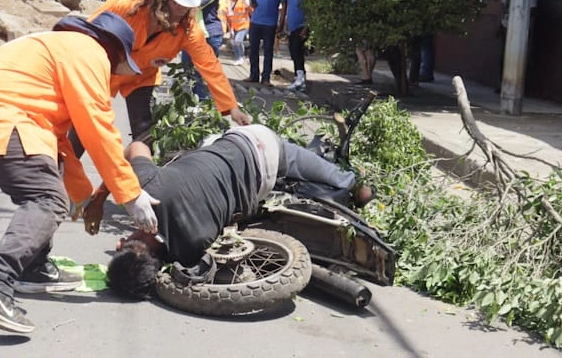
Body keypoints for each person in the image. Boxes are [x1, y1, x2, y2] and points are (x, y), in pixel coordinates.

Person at [0, 12, 161, 334]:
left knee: (50, 184)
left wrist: (82, 195)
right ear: (114, 52)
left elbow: (57, 143)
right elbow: (98, 127)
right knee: (46, 199)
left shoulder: (62, 47)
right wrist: (130, 193)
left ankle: (33, 267)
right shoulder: (89, 53)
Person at [84, 124, 373, 299]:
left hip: (264, 166)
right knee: (343, 186)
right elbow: (135, 145)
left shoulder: (190, 251)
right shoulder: (145, 189)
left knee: (339, 189)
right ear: (120, 243)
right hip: (250, 143)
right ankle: (351, 182)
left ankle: (349, 182)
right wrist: (99, 199)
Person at [89, 0, 251, 140]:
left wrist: (232, 107)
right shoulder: (127, 4)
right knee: (85, 127)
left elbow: (209, 63)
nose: (182, 9)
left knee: (144, 133)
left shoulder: (187, 27)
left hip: (142, 78)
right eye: (177, 3)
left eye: (186, 4)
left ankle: (142, 165)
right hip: (102, 71)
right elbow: (88, 35)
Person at [180, 0, 224, 100]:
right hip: (194, 34)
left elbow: (196, 1)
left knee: (201, 77)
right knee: (189, 73)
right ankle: (193, 108)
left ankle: (204, 111)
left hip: (208, 35)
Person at [247, 0, 287, 86]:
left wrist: (281, 23)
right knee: (253, 49)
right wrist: (253, 7)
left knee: (268, 51)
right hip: (255, 22)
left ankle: (266, 78)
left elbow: (284, 4)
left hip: (270, 23)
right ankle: (253, 75)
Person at [284, 0, 309, 92]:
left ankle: (300, 78)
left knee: (297, 52)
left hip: (300, 27)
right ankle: (298, 78)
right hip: (292, 28)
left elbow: (309, 12)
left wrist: (306, 28)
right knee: (293, 53)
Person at [226, 0, 251, 66]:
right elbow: (229, 16)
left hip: (244, 25)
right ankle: (238, 58)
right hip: (234, 26)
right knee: (233, 42)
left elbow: (251, 10)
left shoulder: (244, 0)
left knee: (238, 41)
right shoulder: (229, 1)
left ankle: (241, 57)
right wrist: (230, 29)